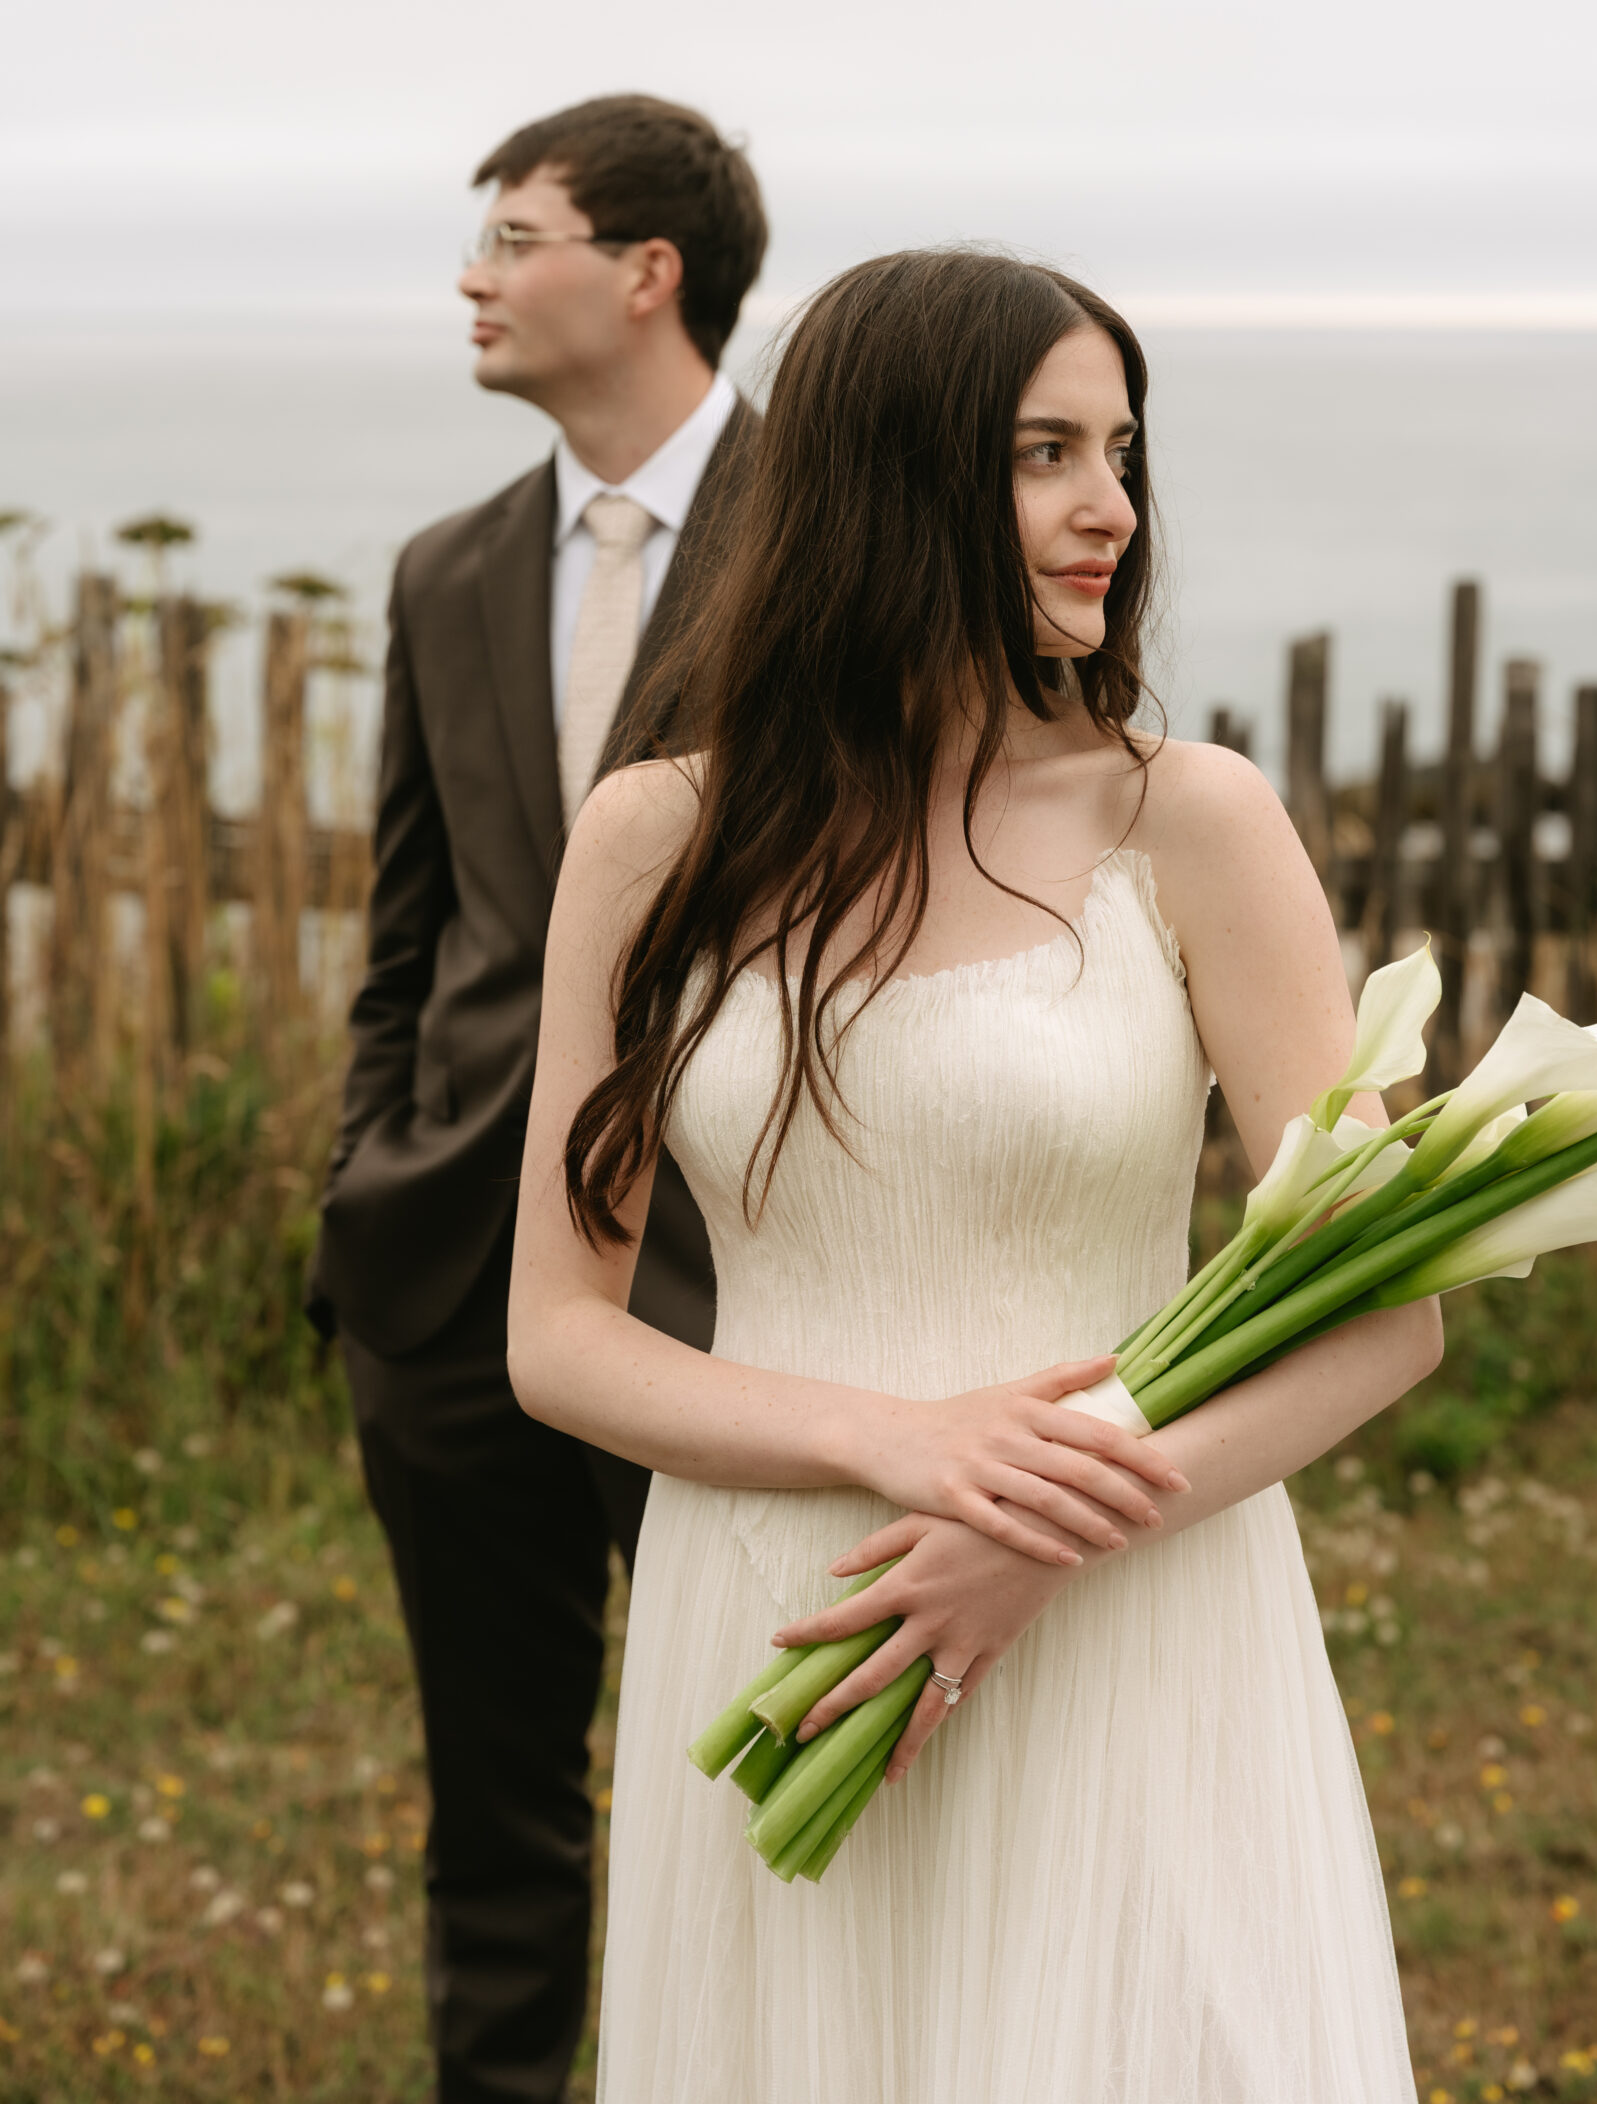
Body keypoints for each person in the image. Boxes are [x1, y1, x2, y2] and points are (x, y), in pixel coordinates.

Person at [508, 246, 1440, 2102]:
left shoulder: (1191, 817)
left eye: (1122, 449)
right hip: (786, 1596)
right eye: (1045, 453)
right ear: (893, 477)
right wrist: (899, 1444)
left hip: (1138, 1599)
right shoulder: (654, 837)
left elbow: (1386, 1314)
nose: (1111, 507)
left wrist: (1041, 1530)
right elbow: (558, 1338)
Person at [309, 95, 768, 2103]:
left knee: (743, 1782)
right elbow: (408, 935)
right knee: (490, 1802)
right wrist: (365, 1190)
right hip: (449, 1293)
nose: (474, 279)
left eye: (513, 236)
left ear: (643, 271)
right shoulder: (444, 567)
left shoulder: (826, 528)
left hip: (728, 1295)